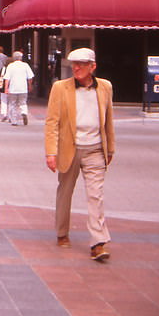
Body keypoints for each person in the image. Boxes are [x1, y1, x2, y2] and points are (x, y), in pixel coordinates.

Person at [45, 47, 115, 261]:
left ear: (92, 67)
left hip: (95, 148)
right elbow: (52, 122)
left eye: (82, 64)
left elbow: (108, 119)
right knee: (65, 192)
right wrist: (51, 152)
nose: (76, 67)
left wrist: (110, 147)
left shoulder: (105, 87)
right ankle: (62, 232)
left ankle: (98, 243)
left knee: (96, 196)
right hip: (69, 148)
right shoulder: (60, 88)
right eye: (74, 63)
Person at [3, 51, 35, 126]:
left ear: (14, 58)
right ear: (21, 58)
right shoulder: (25, 65)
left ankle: (14, 121)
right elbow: (30, 77)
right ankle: (24, 112)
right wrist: (30, 85)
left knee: (12, 104)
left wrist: (6, 88)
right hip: (23, 88)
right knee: (23, 102)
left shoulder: (11, 66)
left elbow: (7, 78)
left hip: (13, 88)